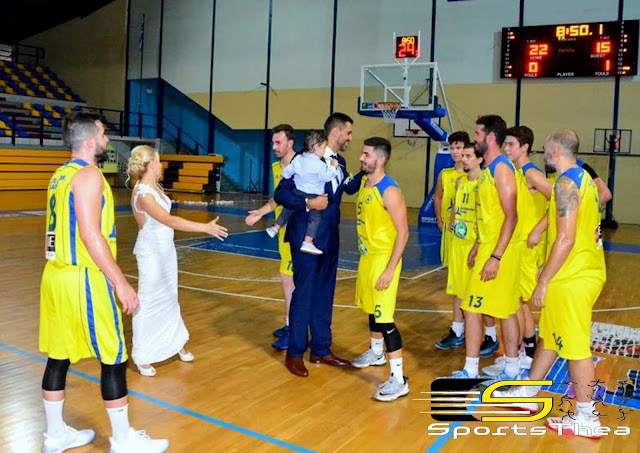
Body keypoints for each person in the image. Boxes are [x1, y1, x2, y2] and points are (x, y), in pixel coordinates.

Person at [39, 113, 168, 452]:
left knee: (59, 356)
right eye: (102, 133)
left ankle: (55, 434)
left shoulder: (59, 175)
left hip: (56, 275)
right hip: (84, 277)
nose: (107, 139)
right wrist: (120, 282)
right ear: (89, 140)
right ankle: (123, 440)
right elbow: (90, 234)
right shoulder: (89, 175)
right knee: (114, 356)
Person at [494, 129, 606, 438]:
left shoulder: (566, 183)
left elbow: (566, 239)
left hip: (573, 278)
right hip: (576, 270)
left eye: (545, 149)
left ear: (555, 151)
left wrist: (543, 280)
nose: (543, 154)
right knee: (551, 337)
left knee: (576, 347)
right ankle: (529, 393)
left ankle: (587, 416)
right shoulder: (582, 178)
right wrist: (547, 260)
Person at [274, 112, 363, 378]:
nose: (350, 138)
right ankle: (295, 353)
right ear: (335, 133)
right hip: (305, 237)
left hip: (330, 237)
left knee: (325, 294)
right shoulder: (304, 159)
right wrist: (307, 203)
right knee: (304, 293)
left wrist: (368, 171)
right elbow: (281, 193)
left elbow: (346, 188)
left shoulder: (340, 162)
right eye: (348, 133)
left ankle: (321, 348)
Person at [127, 145, 228, 376]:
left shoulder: (156, 187)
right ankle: (142, 355)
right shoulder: (142, 194)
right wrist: (205, 227)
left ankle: (176, 343)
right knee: (148, 300)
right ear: (151, 164)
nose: (161, 165)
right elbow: (168, 220)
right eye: (159, 161)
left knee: (170, 296)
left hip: (166, 249)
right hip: (151, 252)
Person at [450, 115, 521, 380]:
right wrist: (479, 244)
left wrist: (495, 256)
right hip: (490, 245)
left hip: (501, 250)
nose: (475, 138)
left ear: (490, 137)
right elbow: (491, 215)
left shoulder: (501, 169)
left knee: (471, 307)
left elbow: (511, 216)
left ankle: (470, 370)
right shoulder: (490, 169)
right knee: (506, 310)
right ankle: (511, 368)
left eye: (478, 134)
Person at [483, 126, 553, 377]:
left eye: (511, 144)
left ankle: (524, 355)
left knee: (516, 302)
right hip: (518, 245)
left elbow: (560, 199)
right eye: (506, 144)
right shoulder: (515, 171)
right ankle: (525, 352)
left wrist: (538, 229)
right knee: (517, 302)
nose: (506, 148)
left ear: (525, 147)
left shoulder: (531, 172)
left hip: (526, 245)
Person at [349, 137, 410, 401]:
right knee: (372, 310)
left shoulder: (389, 191)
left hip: (384, 259)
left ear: (381, 159)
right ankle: (376, 352)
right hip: (368, 257)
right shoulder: (366, 184)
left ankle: (399, 379)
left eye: (366, 155)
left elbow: (404, 233)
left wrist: (390, 269)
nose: (361, 158)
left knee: (385, 319)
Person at [245, 124, 296, 350]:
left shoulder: (299, 166)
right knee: (288, 281)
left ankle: (295, 330)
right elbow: (278, 197)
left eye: (278, 142)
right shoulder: (277, 167)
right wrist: (261, 212)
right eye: (273, 142)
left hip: (296, 231)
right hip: (282, 233)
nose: (274, 146)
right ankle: (290, 323)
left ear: (290, 143)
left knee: (289, 280)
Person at [438, 143, 484, 350]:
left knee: (475, 294)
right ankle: (457, 331)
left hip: (474, 246)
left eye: (468, 155)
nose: (463, 159)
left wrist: (479, 242)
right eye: (462, 155)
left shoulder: (485, 182)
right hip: (458, 243)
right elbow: (455, 209)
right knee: (457, 290)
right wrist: (453, 221)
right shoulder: (460, 181)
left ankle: (488, 336)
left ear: (479, 159)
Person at [267, 130, 340, 255]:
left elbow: (288, 172)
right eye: (323, 148)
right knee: (315, 218)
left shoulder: (298, 159)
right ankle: (308, 242)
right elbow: (326, 176)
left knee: (288, 209)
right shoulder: (319, 164)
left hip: (297, 191)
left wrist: (285, 175)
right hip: (313, 194)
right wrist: (333, 167)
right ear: (315, 147)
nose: (324, 151)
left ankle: (275, 228)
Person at [433, 131, 469, 267]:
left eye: (458, 148)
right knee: (449, 264)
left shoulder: (472, 175)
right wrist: (439, 220)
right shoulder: (444, 174)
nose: (454, 151)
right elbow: (437, 197)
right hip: (448, 224)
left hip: (465, 224)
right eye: (452, 148)